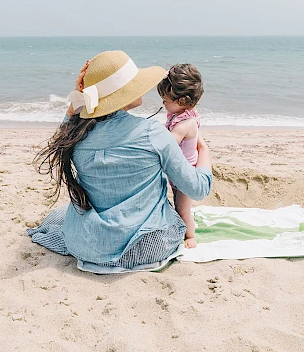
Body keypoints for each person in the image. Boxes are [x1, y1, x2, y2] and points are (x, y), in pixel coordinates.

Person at [27, 51, 212, 273]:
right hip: (146, 247)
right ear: (122, 93)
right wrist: (204, 150)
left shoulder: (75, 135)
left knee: (61, 216)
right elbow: (199, 189)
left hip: (88, 243)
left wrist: (76, 102)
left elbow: (63, 134)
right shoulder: (152, 133)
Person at [157, 64, 204, 248]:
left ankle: (190, 235)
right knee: (177, 203)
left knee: (183, 209)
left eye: (166, 100)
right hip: (177, 173)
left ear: (183, 101)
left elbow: (167, 144)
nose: (163, 103)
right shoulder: (182, 114)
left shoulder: (185, 125)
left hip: (185, 175)